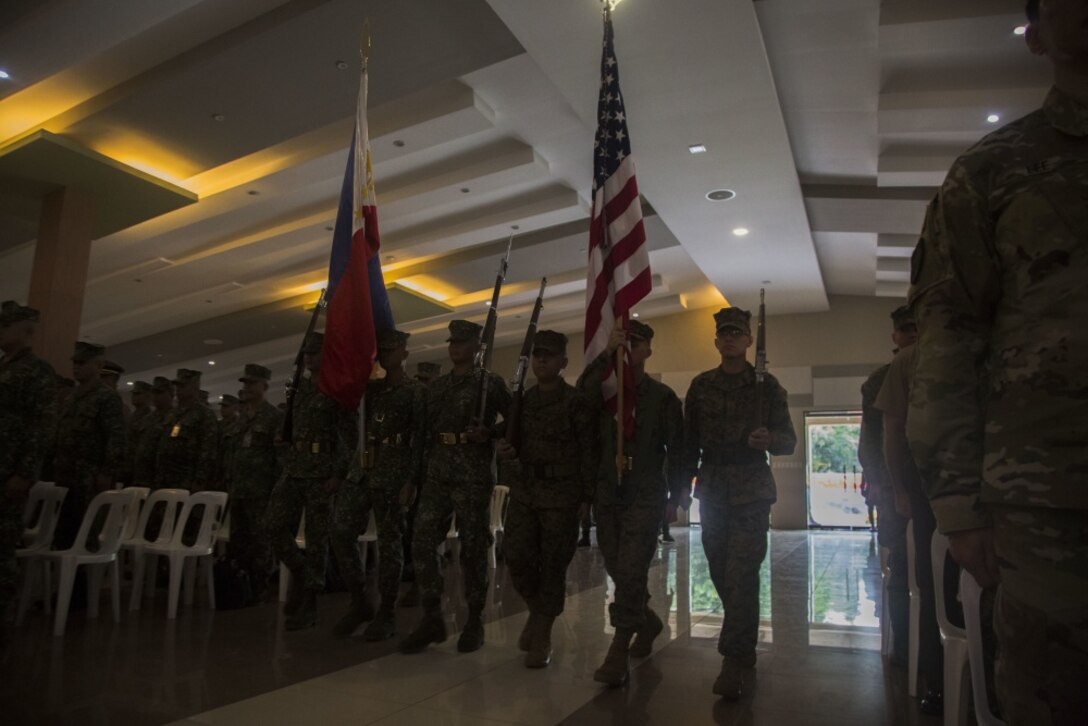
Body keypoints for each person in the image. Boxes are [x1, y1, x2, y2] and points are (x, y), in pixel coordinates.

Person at [907, 1, 1088, 721]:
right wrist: (956, 502)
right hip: (1054, 503)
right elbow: (948, 345)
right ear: (1036, 33)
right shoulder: (992, 171)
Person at [682, 307, 797, 699]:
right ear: (716, 341)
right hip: (712, 488)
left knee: (742, 573)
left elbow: (789, 441)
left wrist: (770, 441)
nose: (729, 338)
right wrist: (679, 487)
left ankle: (735, 658)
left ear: (750, 340)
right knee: (719, 568)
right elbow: (687, 441)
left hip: (751, 490)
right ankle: (742, 635)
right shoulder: (700, 386)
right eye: (723, 333)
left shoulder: (768, 387)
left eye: (737, 333)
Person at [577, 319, 684, 687]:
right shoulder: (606, 393)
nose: (628, 348)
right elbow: (580, 396)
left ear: (648, 350)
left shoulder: (662, 397)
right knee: (618, 567)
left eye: (634, 343)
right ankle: (648, 621)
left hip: (645, 491)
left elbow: (680, 450)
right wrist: (605, 351)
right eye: (624, 343)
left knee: (632, 568)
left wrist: (679, 495)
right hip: (609, 490)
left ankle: (618, 648)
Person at [400, 320, 511, 654]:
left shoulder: (489, 384)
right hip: (437, 473)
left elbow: (515, 418)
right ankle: (432, 615)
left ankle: (474, 619)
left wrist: (490, 434)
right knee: (421, 541)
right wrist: (411, 478)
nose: (455, 347)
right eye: (452, 342)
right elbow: (422, 436)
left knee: (474, 547)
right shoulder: (437, 387)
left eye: (462, 342)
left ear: (478, 346)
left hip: (473, 474)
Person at [496, 330, 595, 668]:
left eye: (549, 355)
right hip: (526, 491)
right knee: (518, 559)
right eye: (537, 355)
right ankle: (539, 612)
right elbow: (511, 441)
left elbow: (588, 451)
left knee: (553, 566)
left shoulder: (575, 401)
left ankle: (543, 632)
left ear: (563, 363)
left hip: (562, 494)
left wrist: (586, 497)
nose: (541, 360)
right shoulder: (522, 401)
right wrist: (506, 450)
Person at [330, 329, 425, 640]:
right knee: (341, 531)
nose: (386, 354)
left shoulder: (415, 392)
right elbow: (348, 419)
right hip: (363, 468)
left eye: (392, 349)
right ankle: (359, 601)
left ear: (405, 353)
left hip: (394, 472)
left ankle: (386, 611)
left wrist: (411, 480)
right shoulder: (372, 391)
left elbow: (420, 441)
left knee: (390, 544)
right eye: (381, 350)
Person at [265, 332, 357, 631]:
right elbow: (289, 427)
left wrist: (339, 474)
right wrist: (283, 439)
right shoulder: (299, 389)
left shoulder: (335, 390)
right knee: (273, 525)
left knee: (317, 540)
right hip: (294, 468)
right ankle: (302, 573)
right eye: (307, 354)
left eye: (315, 353)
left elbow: (350, 436)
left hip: (321, 472)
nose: (310, 358)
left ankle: (310, 603)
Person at [857, 305, 917, 666]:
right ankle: (906, 645)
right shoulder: (879, 381)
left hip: (936, 486)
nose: (911, 335)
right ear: (894, 335)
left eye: (917, 328)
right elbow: (871, 440)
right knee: (900, 564)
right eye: (905, 329)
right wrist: (882, 483)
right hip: (895, 487)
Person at [0, 301, 56, 647]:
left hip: (9, 474)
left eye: (6, 326)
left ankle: (3, 618)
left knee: (3, 547)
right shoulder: (5, 367)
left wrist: (25, 473)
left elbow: (41, 426)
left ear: (25, 331)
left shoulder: (37, 371)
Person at [51, 342, 126, 549]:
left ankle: (82, 580)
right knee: (63, 534)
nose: (76, 367)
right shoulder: (72, 397)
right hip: (66, 474)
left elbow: (116, 438)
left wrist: (106, 472)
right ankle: (63, 579)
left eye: (82, 363)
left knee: (86, 535)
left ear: (98, 365)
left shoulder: (107, 397)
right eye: (75, 362)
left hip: (90, 477)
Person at [227, 364, 283, 599]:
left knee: (261, 542)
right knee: (238, 542)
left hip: (262, 491)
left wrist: (277, 492)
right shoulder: (241, 419)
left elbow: (280, 458)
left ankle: (259, 588)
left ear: (265, 386)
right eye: (245, 384)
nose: (247, 388)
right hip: (239, 490)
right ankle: (240, 586)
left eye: (252, 383)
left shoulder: (274, 417)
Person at [155, 369, 219, 492]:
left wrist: (200, 480)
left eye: (183, 386)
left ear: (195, 387)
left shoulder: (204, 414)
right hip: (164, 478)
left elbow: (208, 451)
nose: (178, 390)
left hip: (187, 480)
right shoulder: (172, 414)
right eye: (177, 386)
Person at [132, 376, 173, 488]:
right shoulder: (147, 419)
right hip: (142, 475)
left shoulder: (176, 418)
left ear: (170, 394)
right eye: (154, 393)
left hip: (164, 477)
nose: (155, 396)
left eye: (159, 393)